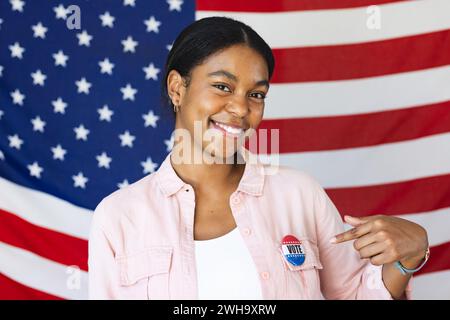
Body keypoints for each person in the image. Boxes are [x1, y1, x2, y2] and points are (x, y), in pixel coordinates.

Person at [88, 16, 429, 300]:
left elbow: (355, 295)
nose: (240, 109)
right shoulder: (118, 217)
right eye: (222, 86)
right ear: (177, 88)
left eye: (256, 94)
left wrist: (408, 259)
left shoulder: (299, 195)